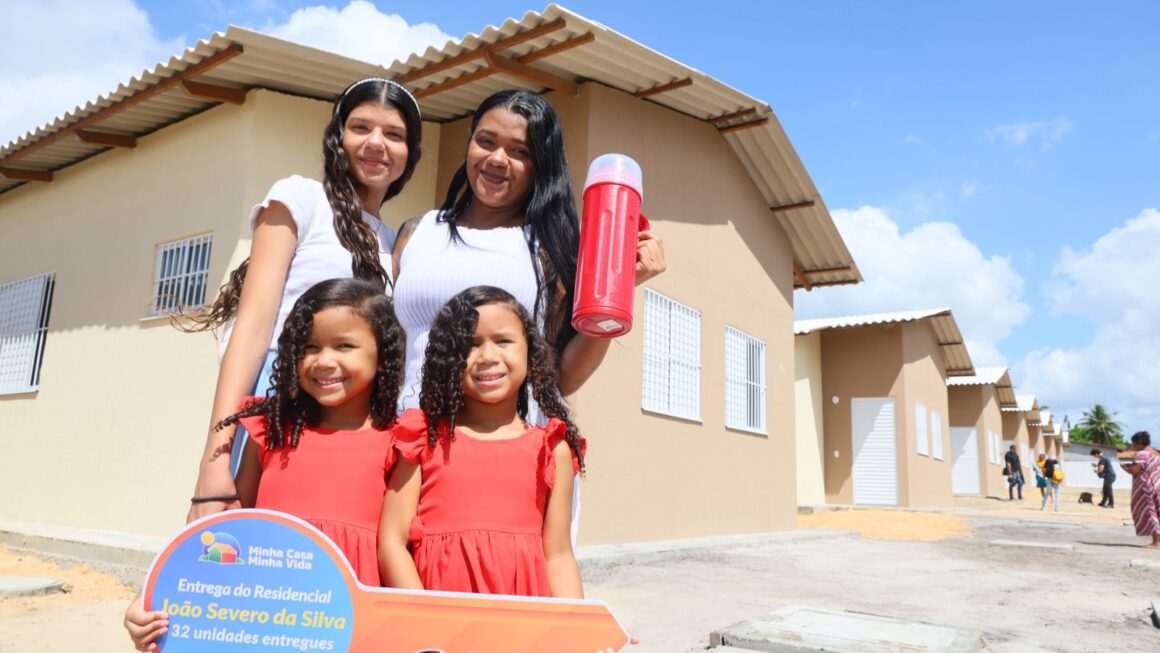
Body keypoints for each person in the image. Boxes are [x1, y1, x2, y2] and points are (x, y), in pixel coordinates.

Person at [185, 78, 422, 519]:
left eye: (393, 134)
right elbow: (253, 327)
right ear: (338, 137)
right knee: (229, 554)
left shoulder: (392, 244)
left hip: (346, 430)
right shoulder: (299, 198)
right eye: (361, 128)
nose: (376, 143)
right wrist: (214, 458)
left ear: (410, 154)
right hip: (276, 409)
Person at [125, 279, 406, 651]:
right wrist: (153, 597)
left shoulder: (403, 441)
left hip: (356, 629)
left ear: (383, 355)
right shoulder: (272, 432)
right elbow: (227, 533)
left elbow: (398, 548)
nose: (323, 361)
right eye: (308, 348)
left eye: (344, 346)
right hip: (269, 626)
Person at [380, 286, 586, 597]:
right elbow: (391, 542)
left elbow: (558, 555)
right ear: (448, 359)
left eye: (503, 341)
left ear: (530, 355)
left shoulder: (552, 449)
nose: (488, 356)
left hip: (522, 629)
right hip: (437, 631)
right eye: (469, 345)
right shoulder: (423, 439)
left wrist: (579, 631)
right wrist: (423, 619)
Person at [1121, 431, 1160, 548]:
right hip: (1157, 484)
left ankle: (1157, 542)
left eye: (1133, 443)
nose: (1132, 446)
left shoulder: (1142, 454)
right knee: (1157, 513)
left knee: (1150, 513)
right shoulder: (1156, 453)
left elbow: (1135, 471)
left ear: (1138, 443)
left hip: (1146, 486)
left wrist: (1124, 466)